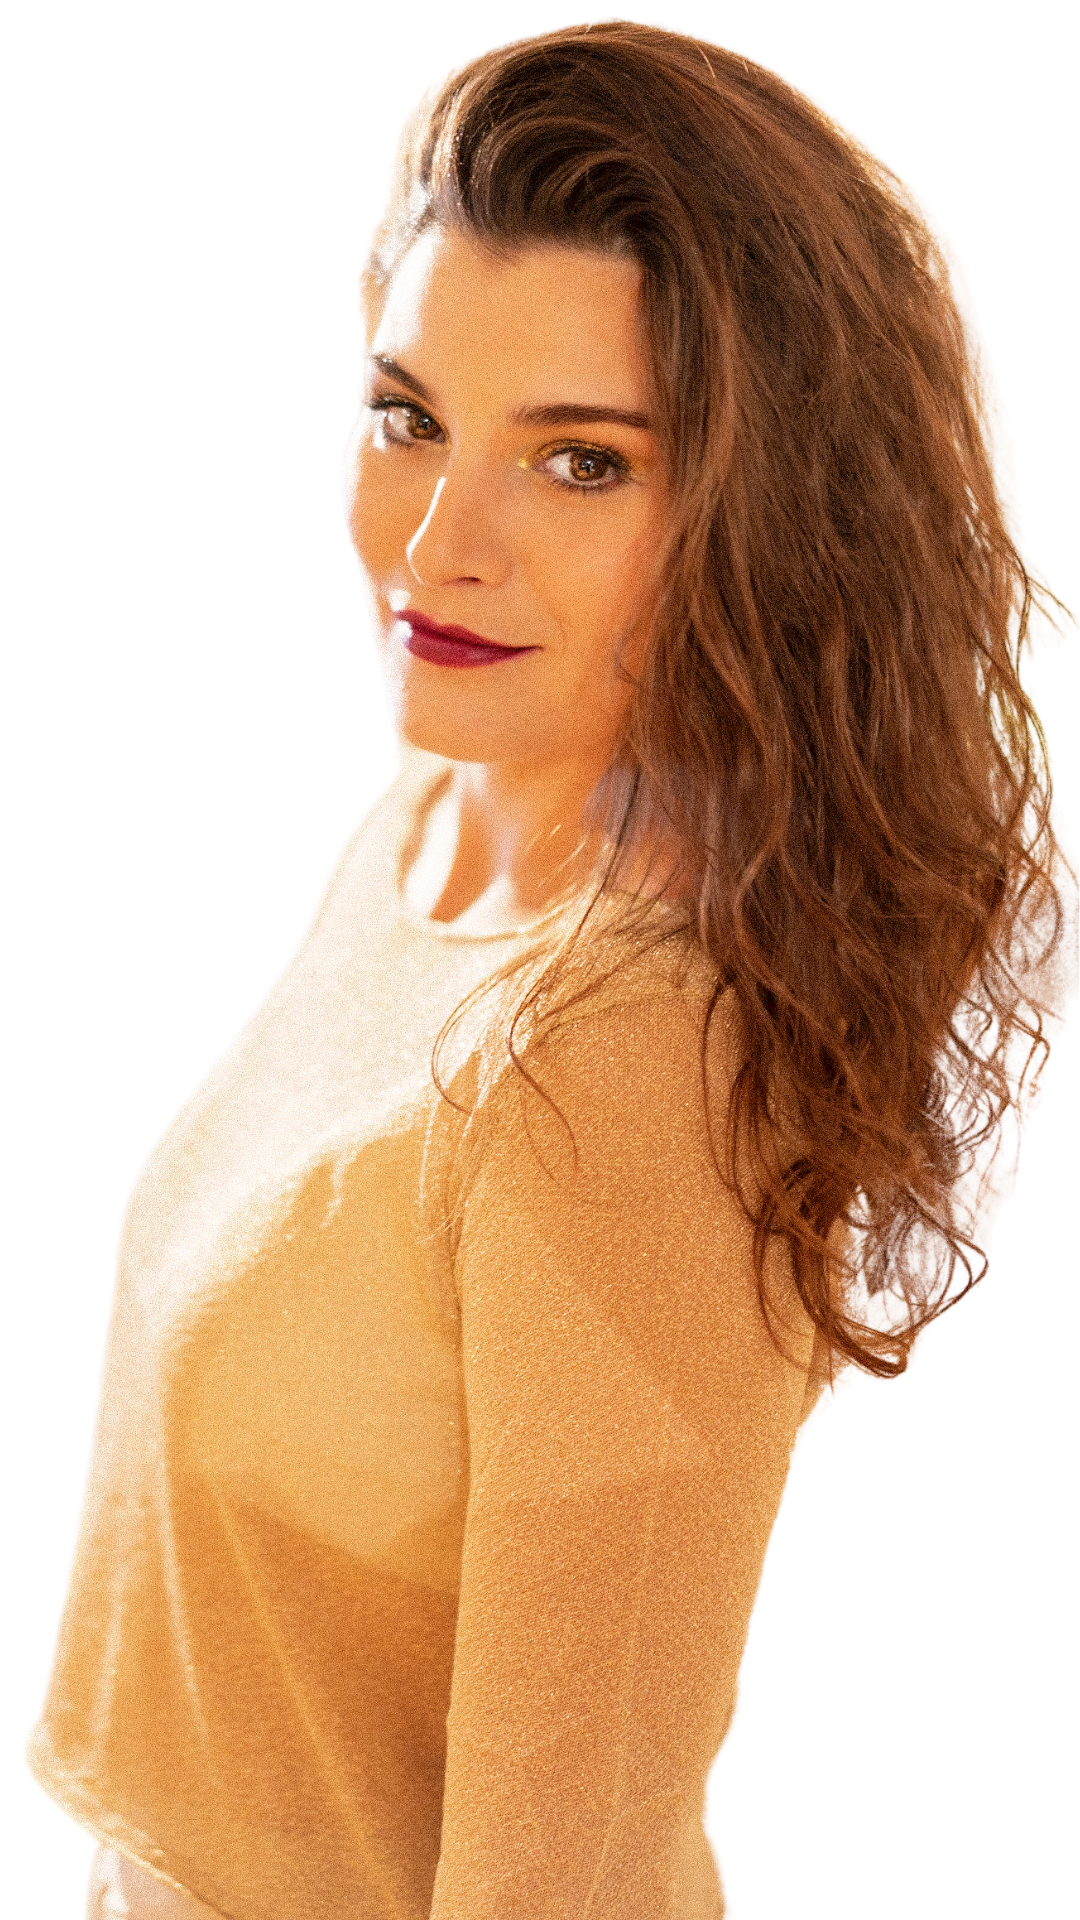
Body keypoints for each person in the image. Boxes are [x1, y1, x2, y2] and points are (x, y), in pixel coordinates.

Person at [25, 21, 1078, 1920]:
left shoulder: (618, 1069)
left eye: (582, 461)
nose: (440, 545)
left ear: (760, 517)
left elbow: (567, 1882)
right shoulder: (437, 816)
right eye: (408, 415)